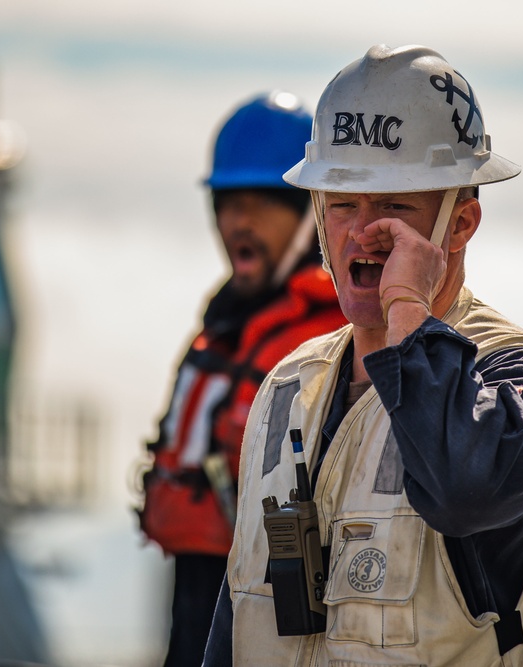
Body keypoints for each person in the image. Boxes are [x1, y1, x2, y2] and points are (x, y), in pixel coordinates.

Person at [203, 45, 523, 665]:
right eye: (343, 204)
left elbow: (463, 489)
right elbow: (240, 619)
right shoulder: (287, 389)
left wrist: (408, 308)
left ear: (460, 225)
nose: (362, 232)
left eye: (395, 208)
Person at [137, 92, 348, 666]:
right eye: (228, 203)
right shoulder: (227, 327)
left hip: (277, 612)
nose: (240, 221)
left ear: (314, 212)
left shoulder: (332, 342)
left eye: (264, 202)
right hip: (199, 587)